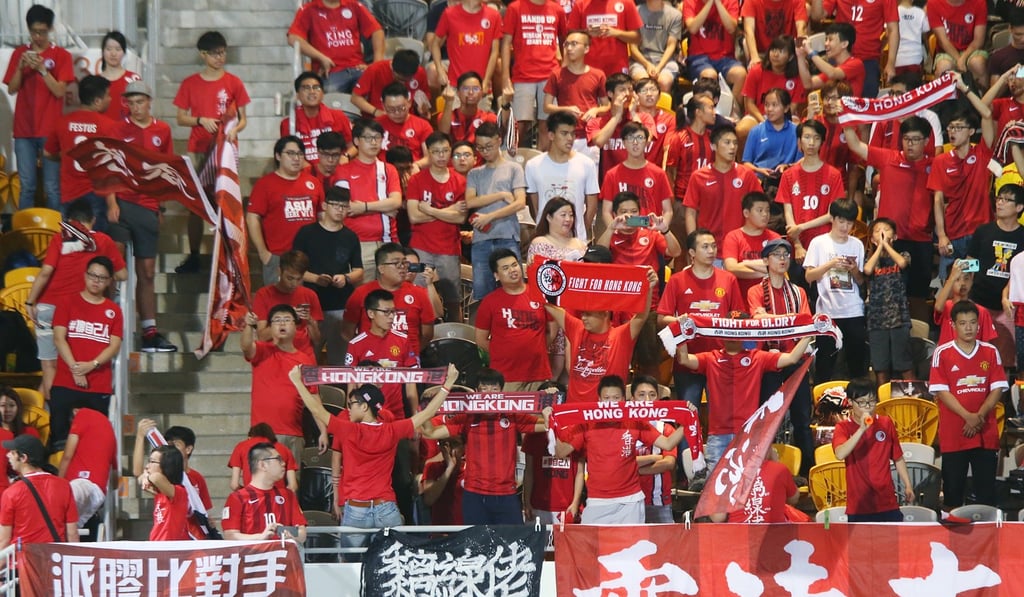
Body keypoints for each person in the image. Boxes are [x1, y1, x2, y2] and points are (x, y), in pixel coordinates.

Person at [289, 363, 459, 546]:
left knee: (351, 565)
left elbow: (316, 410)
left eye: (352, 404)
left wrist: (297, 382)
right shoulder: (392, 430)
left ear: (364, 407)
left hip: (356, 511)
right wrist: (448, 383)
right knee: (394, 562)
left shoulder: (349, 430)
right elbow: (427, 413)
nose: (349, 408)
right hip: (386, 509)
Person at [676, 318, 811, 474]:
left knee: (748, 486)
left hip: (748, 434)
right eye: (730, 330)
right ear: (721, 332)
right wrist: (681, 332)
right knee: (714, 491)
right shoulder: (710, 358)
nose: (733, 335)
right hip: (718, 436)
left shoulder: (758, 357)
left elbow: (792, 358)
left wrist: (810, 331)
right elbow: (684, 359)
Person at [24, 200, 127, 401]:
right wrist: (108, 280)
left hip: (48, 306)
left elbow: (46, 272)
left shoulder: (59, 238)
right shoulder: (103, 240)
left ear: (68, 221)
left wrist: (29, 302)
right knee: (77, 364)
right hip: (78, 311)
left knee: (49, 366)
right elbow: (123, 274)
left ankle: (53, 418)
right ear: (94, 220)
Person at [551, 375, 689, 524]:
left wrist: (688, 420)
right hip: (597, 501)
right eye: (607, 398)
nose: (611, 403)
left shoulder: (634, 422)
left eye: (616, 398)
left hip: (630, 501)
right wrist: (552, 424)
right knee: (594, 547)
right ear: (599, 400)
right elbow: (561, 452)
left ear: (623, 400)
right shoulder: (586, 424)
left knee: (632, 546)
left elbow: (668, 444)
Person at [421, 368, 548, 524]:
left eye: (495, 389)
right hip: (474, 495)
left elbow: (548, 425)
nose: (489, 394)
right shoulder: (466, 418)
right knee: (477, 546)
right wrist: (429, 404)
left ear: (502, 392)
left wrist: (550, 402)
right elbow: (430, 433)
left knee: (512, 545)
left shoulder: (512, 415)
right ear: (476, 392)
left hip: (506, 495)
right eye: (484, 389)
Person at [173, 31, 249, 274]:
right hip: (198, 149)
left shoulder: (234, 82)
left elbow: (243, 119)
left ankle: (228, 256)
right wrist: (199, 120)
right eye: (215, 53)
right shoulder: (190, 83)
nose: (220, 57)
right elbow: (181, 118)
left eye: (223, 52)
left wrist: (235, 129)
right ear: (203, 55)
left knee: (226, 201)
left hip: (225, 150)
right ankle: (194, 255)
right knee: (196, 204)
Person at [111, 80, 178, 353]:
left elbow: (166, 170)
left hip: (148, 204)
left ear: (149, 102)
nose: (135, 107)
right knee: (115, 265)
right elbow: (109, 167)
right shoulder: (118, 129)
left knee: (147, 271)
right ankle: (110, 321)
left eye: (140, 101)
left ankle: (149, 331)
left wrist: (160, 206)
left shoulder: (162, 130)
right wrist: (109, 202)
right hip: (122, 203)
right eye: (131, 102)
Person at [930, 301, 1009, 509]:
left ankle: (988, 539)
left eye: (973, 323)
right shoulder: (942, 352)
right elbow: (941, 391)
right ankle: (952, 540)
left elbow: (997, 389)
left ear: (979, 325)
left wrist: (978, 416)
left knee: (986, 495)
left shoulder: (991, 351)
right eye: (963, 323)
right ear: (953, 325)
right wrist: (968, 416)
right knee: (953, 494)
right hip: (954, 434)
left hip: (985, 433)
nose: (968, 328)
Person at [748, 238, 814, 472]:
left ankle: (808, 471)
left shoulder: (798, 292)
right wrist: (789, 321)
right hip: (768, 361)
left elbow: (806, 324)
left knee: (802, 419)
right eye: (776, 255)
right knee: (766, 419)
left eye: (785, 254)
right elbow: (757, 320)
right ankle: (763, 468)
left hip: (795, 359)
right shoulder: (755, 290)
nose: (783, 259)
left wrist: (771, 319)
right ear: (765, 260)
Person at [658, 229, 745, 407]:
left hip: (721, 359)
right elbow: (661, 318)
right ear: (691, 253)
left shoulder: (728, 279)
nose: (711, 251)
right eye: (705, 247)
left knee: (722, 416)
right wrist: (679, 321)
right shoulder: (677, 280)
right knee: (688, 417)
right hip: (687, 360)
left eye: (713, 246)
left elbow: (739, 316)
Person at [547, 268, 658, 402]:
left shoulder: (621, 336)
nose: (583, 318)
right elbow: (547, 303)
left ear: (605, 314)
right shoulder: (577, 328)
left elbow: (641, 316)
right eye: (582, 313)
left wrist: (649, 287)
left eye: (589, 314)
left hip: (607, 415)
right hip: (576, 413)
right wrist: (535, 271)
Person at [2, 4, 74, 210]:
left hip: (50, 130)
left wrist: (42, 70)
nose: (37, 37)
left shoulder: (62, 56)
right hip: (24, 131)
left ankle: (57, 233)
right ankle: (23, 235)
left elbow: (60, 91)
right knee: (27, 186)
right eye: (34, 32)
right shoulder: (19, 53)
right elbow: (12, 89)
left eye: (42, 32)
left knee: (52, 187)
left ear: (50, 29)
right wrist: (20, 67)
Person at [50, 256, 123, 448]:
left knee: (94, 442)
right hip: (65, 382)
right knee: (60, 441)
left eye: (101, 277)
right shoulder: (67, 302)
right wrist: (76, 369)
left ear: (108, 281)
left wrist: (92, 365)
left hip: (98, 385)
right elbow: (59, 338)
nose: (96, 281)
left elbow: (114, 346)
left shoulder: (114, 311)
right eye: (92, 275)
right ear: (85, 275)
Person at [242, 304, 326, 467]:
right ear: (270, 327)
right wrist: (248, 326)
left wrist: (323, 430)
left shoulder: (306, 360)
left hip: (293, 433)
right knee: (261, 486)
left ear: (296, 326)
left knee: (291, 487)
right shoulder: (261, 350)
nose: (282, 324)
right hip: (262, 434)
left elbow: (314, 397)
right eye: (277, 320)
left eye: (287, 320)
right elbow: (246, 346)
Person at [292, 186, 364, 364]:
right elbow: (293, 270)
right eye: (336, 205)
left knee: (339, 358)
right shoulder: (306, 233)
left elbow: (359, 270)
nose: (340, 210)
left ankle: (338, 390)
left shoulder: (351, 237)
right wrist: (316, 279)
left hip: (340, 303)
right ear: (324, 205)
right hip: (310, 303)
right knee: (309, 355)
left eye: (344, 206)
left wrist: (346, 278)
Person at [930, 97, 996, 284]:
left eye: (958, 127)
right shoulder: (941, 161)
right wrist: (941, 235)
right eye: (950, 127)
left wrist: (964, 88)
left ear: (971, 132)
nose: (953, 132)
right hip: (954, 237)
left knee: (974, 285)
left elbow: (987, 113)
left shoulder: (982, 153)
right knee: (950, 286)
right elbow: (937, 200)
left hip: (980, 236)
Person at [803, 199, 867, 382]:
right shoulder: (819, 243)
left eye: (849, 223)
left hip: (854, 310)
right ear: (832, 219)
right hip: (828, 312)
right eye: (841, 221)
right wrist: (830, 264)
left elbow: (861, 281)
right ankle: (821, 406)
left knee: (857, 364)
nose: (845, 227)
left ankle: (858, 402)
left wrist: (854, 269)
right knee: (825, 363)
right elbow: (809, 277)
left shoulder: (857, 244)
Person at [246, 137, 324, 285]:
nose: (296, 158)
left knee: (308, 304)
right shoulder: (265, 184)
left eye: (300, 154)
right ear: (277, 156)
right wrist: (264, 254)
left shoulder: (313, 182)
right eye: (290, 153)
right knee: (280, 305)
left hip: (311, 257)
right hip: (279, 257)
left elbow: (322, 215)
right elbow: (252, 218)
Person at [406, 131, 467, 321]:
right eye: (436, 151)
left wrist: (430, 210)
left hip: (448, 248)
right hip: (420, 248)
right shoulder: (416, 180)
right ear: (428, 153)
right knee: (418, 295)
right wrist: (449, 211)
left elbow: (460, 218)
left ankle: (456, 336)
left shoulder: (460, 181)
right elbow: (414, 216)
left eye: (445, 151)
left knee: (453, 299)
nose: (441, 156)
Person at [43, 75, 117, 230]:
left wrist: (65, 156)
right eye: (108, 95)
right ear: (97, 101)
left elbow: (48, 153)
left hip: (69, 194)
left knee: (71, 245)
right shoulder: (109, 126)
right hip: (96, 195)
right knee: (95, 246)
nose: (110, 99)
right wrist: (113, 203)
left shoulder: (62, 122)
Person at [834, 380, 915, 522]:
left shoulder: (885, 423)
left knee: (892, 543)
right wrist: (861, 430)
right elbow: (840, 454)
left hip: (887, 502)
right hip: (859, 505)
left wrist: (908, 485)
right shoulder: (843, 427)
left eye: (872, 402)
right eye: (862, 402)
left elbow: (898, 457)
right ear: (850, 402)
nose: (868, 408)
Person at [333, 119, 403, 281]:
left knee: (393, 294)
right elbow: (348, 208)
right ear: (356, 141)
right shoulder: (343, 171)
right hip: (359, 244)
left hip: (389, 240)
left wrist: (364, 207)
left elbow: (396, 202)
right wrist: (383, 206)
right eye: (368, 138)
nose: (373, 142)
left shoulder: (388, 169)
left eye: (377, 137)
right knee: (363, 297)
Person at [475, 249, 554, 390]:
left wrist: (536, 349)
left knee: (541, 412)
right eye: (505, 268)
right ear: (496, 276)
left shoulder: (540, 295)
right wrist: (503, 352)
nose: (512, 270)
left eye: (514, 265)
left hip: (538, 374)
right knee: (507, 413)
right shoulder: (489, 302)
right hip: (505, 376)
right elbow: (481, 340)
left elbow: (552, 331)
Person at [466, 122, 528, 299]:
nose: (484, 152)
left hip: (507, 237)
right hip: (482, 239)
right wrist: (501, 195)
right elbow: (470, 201)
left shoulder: (513, 168)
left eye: (488, 147)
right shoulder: (475, 173)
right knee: (482, 293)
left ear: (499, 141)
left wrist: (489, 217)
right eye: (480, 148)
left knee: (514, 289)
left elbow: (519, 203)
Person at [965, 182, 1024, 368]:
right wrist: (965, 294)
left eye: (1007, 200)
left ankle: (1004, 397)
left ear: (1019, 207)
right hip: (980, 302)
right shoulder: (983, 231)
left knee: (1005, 361)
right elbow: (971, 263)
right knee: (976, 357)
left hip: (1009, 308)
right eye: (999, 198)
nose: (1000, 203)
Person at [343, 243, 436, 357]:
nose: (403, 267)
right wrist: (364, 350)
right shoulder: (361, 293)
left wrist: (412, 352)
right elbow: (347, 332)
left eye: (404, 262)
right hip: (370, 362)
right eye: (396, 263)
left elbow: (427, 334)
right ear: (381, 268)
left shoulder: (419, 294)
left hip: (407, 363)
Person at [683, 125, 764, 254]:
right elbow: (690, 213)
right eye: (727, 142)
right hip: (709, 249)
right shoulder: (698, 176)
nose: (732, 147)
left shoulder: (747, 174)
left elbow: (760, 209)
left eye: (735, 143)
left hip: (740, 249)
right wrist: (695, 244)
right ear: (713, 146)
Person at [777, 119, 845, 270]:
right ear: (799, 141)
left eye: (816, 138)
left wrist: (801, 227)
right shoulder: (788, 175)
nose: (811, 143)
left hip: (824, 245)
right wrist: (797, 244)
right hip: (797, 248)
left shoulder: (834, 175)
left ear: (822, 142)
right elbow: (788, 214)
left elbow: (831, 214)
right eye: (807, 137)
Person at [502, 0, 566, 150]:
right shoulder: (515, 8)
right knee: (519, 125)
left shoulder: (557, 9)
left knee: (548, 126)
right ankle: (511, 164)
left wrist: (564, 69)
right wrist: (505, 77)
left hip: (550, 74)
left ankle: (542, 166)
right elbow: (505, 43)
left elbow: (564, 40)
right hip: (523, 75)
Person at [526, 112, 601, 241]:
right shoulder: (533, 165)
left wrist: (578, 232)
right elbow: (535, 207)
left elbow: (592, 206)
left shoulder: (586, 164)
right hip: (545, 240)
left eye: (573, 133)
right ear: (551, 135)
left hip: (576, 241)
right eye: (564, 133)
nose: (570, 138)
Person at [286, 0, 384, 93]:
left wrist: (376, 64)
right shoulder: (308, 10)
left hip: (357, 69)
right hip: (330, 73)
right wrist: (321, 57)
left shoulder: (354, 5)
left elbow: (377, 31)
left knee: (377, 89)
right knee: (330, 100)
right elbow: (293, 38)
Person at [0, 435, 78, 549]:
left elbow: (4, 541)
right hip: (54, 560)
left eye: (12, 452)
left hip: (24, 563)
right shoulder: (64, 486)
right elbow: (72, 534)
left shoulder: (11, 493)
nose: (7, 455)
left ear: (23, 458)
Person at [809, 0, 898, 99]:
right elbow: (817, 16)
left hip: (868, 59)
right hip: (839, 58)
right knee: (832, 102)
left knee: (865, 106)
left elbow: (893, 29)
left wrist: (891, 63)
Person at [222, 442, 307, 543]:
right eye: (278, 459)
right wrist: (261, 537)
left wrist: (292, 537)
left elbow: (302, 533)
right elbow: (230, 536)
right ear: (263, 465)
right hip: (252, 557)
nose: (283, 463)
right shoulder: (237, 498)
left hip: (283, 557)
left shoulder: (288, 495)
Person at [543, 31, 609, 156]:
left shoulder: (598, 75)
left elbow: (607, 106)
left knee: (589, 174)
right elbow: (546, 107)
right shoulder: (557, 75)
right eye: (567, 44)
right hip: (565, 134)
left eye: (574, 44)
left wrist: (595, 111)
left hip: (589, 135)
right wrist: (566, 109)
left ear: (586, 48)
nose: (569, 48)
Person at [864, 218, 913, 384]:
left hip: (900, 319)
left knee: (905, 364)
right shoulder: (870, 259)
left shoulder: (903, 255)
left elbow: (902, 263)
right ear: (871, 238)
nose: (882, 233)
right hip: (877, 321)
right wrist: (879, 247)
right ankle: (882, 402)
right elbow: (867, 270)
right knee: (881, 368)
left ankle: (913, 400)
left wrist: (886, 245)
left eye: (886, 229)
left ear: (895, 236)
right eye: (877, 231)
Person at [252, 250, 324, 361]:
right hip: (274, 356)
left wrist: (309, 320)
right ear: (279, 271)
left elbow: (317, 340)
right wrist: (287, 317)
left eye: (299, 279)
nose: (294, 284)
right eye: (289, 278)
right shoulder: (263, 295)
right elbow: (262, 336)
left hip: (304, 356)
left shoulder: (310, 295)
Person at [599, 122, 674, 227]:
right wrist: (614, 230)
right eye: (630, 138)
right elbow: (606, 211)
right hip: (622, 233)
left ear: (647, 142)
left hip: (651, 235)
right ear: (623, 143)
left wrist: (660, 228)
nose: (635, 142)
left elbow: (668, 211)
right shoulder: (612, 175)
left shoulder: (659, 174)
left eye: (640, 137)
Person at [737, 36, 806, 148]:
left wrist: (778, 120)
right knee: (742, 130)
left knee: (799, 132)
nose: (775, 54)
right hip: (757, 116)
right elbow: (749, 104)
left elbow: (793, 106)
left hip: (786, 117)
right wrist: (763, 121)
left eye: (781, 51)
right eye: (773, 50)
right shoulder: (756, 70)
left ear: (790, 57)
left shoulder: (797, 76)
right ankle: (743, 164)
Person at [57, 403, 117, 531]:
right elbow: (116, 479)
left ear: (75, 411)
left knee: (55, 508)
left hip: (82, 484)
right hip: (97, 493)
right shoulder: (109, 429)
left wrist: (58, 485)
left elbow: (67, 455)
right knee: (67, 528)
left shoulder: (82, 414)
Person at [627, 376, 678, 523]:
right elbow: (616, 464)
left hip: (658, 501)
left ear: (658, 400)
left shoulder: (667, 429)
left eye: (652, 395)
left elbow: (668, 463)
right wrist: (655, 458)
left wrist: (628, 469)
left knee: (666, 546)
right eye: (641, 395)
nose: (647, 400)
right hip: (627, 502)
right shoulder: (623, 429)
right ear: (632, 399)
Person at [682, 0, 746, 116]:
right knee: (709, 75)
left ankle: (732, 113)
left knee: (740, 74)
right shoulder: (690, 2)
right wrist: (709, 3)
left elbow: (731, 28)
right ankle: (707, 114)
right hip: (699, 57)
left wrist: (718, 3)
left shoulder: (730, 1)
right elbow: (692, 28)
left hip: (725, 57)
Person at [281, 71, 353, 167]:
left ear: (323, 94)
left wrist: (346, 156)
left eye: (316, 88)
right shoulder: (288, 124)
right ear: (297, 95)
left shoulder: (339, 116)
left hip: (337, 170)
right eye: (306, 88)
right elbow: (288, 154)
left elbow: (353, 145)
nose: (312, 91)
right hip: (305, 173)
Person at [709, 448, 799, 523]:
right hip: (773, 536)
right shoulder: (780, 469)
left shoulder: (727, 473)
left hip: (737, 536)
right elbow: (794, 499)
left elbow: (718, 518)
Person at [431, 0, 503, 91]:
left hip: (481, 86)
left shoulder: (494, 15)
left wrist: (486, 80)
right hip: (455, 85)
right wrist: (440, 70)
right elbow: (435, 44)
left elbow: (495, 52)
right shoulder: (449, 14)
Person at [723, 191, 782, 297]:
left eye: (767, 210)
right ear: (746, 213)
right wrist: (767, 271)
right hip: (740, 298)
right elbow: (731, 268)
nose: (765, 214)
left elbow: (779, 267)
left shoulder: (775, 238)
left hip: (769, 298)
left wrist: (745, 264)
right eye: (760, 210)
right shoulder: (733, 237)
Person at [740, 88, 800, 187]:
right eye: (767, 105)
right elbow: (746, 163)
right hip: (760, 180)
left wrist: (787, 167)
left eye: (774, 105)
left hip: (787, 181)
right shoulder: (756, 131)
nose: (769, 109)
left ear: (786, 108)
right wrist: (759, 170)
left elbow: (800, 163)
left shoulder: (796, 131)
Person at [568, 0, 642, 78]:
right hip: (587, 68)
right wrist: (586, 33)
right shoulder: (580, 4)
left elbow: (637, 38)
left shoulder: (626, 2)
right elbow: (570, 36)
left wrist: (616, 33)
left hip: (617, 68)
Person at [934, 260, 998, 347]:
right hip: (948, 357)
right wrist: (952, 277)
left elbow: (987, 343)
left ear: (972, 281)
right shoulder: (946, 306)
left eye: (966, 278)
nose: (963, 283)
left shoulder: (982, 311)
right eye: (957, 279)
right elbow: (938, 307)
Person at [351, 50, 431, 119]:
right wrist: (376, 112)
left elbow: (424, 96)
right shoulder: (374, 70)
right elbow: (355, 98)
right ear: (392, 68)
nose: (402, 83)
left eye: (407, 80)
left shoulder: (420, 73)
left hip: (407, 119)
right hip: (377, 119)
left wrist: (422, 107)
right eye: (400, 79)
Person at [667, 95, 716, 206]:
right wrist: (672, 202)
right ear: (698, 112)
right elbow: (670, 172)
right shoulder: (679, 138)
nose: (715, 112)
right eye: (711, 108)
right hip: (682, 200)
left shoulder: (713, 138)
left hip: (707, 199)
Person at [795, 22, 865, 97]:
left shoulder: (856, 63)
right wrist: (800, 56)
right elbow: (808, 84)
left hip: (849, 108)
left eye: (830, 40)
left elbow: (832, 74)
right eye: (826, 40)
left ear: (844, 44)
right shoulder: (833, 68)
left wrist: (810, 51)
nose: (826, 43)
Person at [927, 0, 988, 85]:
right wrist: (959, 59)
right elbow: (943, 41)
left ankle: (983, 97)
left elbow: (978, 40)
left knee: (978, 64)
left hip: (971, 50)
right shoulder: (933, 3)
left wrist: (963, 58)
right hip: (946, 51)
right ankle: (945, 98)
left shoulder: (979, 2)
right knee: (944, 66)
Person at [377, 83, 435, 168]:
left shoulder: (423, 125)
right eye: (391, 109)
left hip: (410, 169)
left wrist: (416, 165)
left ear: (409, 103)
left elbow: (430, 156)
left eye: (401, 108)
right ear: (383, 106)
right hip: (382, 171)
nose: (397, 113)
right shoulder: (376, 125)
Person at [229, 423, 300, 493]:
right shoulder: (284, 449)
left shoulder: (241, 447)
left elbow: (234, 485)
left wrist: (246, 492)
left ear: (250, 436)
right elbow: (293, 486)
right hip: (278, 499)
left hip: (252, 498)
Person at [630, 0, 683, 92]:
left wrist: (659, 67)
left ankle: (663, 106)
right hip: (640, 60)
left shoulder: (675, 15)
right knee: (644, 83)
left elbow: (671, 45)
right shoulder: (634, 12)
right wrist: (647, 65)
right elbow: (633, 48)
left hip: (666, 61)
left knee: (664, 82)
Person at [139, 445, 190, 541]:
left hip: (170, 548)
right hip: (158, 547)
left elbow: (156, 477)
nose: (147, 466)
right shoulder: (161, 493)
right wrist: (146, 476)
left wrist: (147, 477)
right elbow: (140, 478)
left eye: (152, 462)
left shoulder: (179, 492)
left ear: (167, 466)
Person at [437, 72, 500, 145]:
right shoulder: (445, 116)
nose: (471, 92)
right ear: (458, 93)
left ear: (481, 93)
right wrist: (449, 102)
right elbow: (443, 135)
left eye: (476, 89)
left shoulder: (489, 118)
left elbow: (503, 135)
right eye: (465, 88)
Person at [741, 0, 808, 68]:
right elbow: (749, 30)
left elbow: (801, 29)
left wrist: (801, 57)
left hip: (789, 54)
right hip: (762, 54)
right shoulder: (751, 1)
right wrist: (754, 57)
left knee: (803, 66)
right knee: (755, 67)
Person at [420, 436, 467, 525]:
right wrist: (449, 469)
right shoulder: (432, 468)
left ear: (464, 447)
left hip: (465, 532)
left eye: (455, 444)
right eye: (445, 444)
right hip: (441, 533)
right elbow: (429, 500)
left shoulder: (471, 470)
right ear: (440, 448)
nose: (450, 449)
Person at [96, 31, 140, 121]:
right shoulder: (95, 82)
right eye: (109, 49)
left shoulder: (134, 79)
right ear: (103, 52)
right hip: (102, 133)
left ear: (124, 52)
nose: (113, 54)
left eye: (118, 49)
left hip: (127, 132)